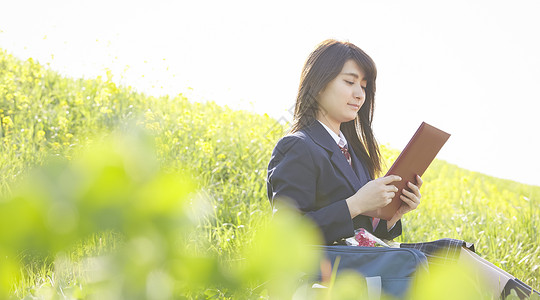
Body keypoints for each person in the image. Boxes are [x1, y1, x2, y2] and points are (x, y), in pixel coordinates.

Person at [266, 39, 539, 299]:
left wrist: (391, 214)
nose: (359, 94)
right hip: (325, 270)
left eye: (364, 85)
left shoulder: (355, 153)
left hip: (359, 257)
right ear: (319, 83)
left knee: (453, 253)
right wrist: (355, 204)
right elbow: (286, 237)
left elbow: (364, 230)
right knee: (423, 263)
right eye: (349, 82)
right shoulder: (298, 146)